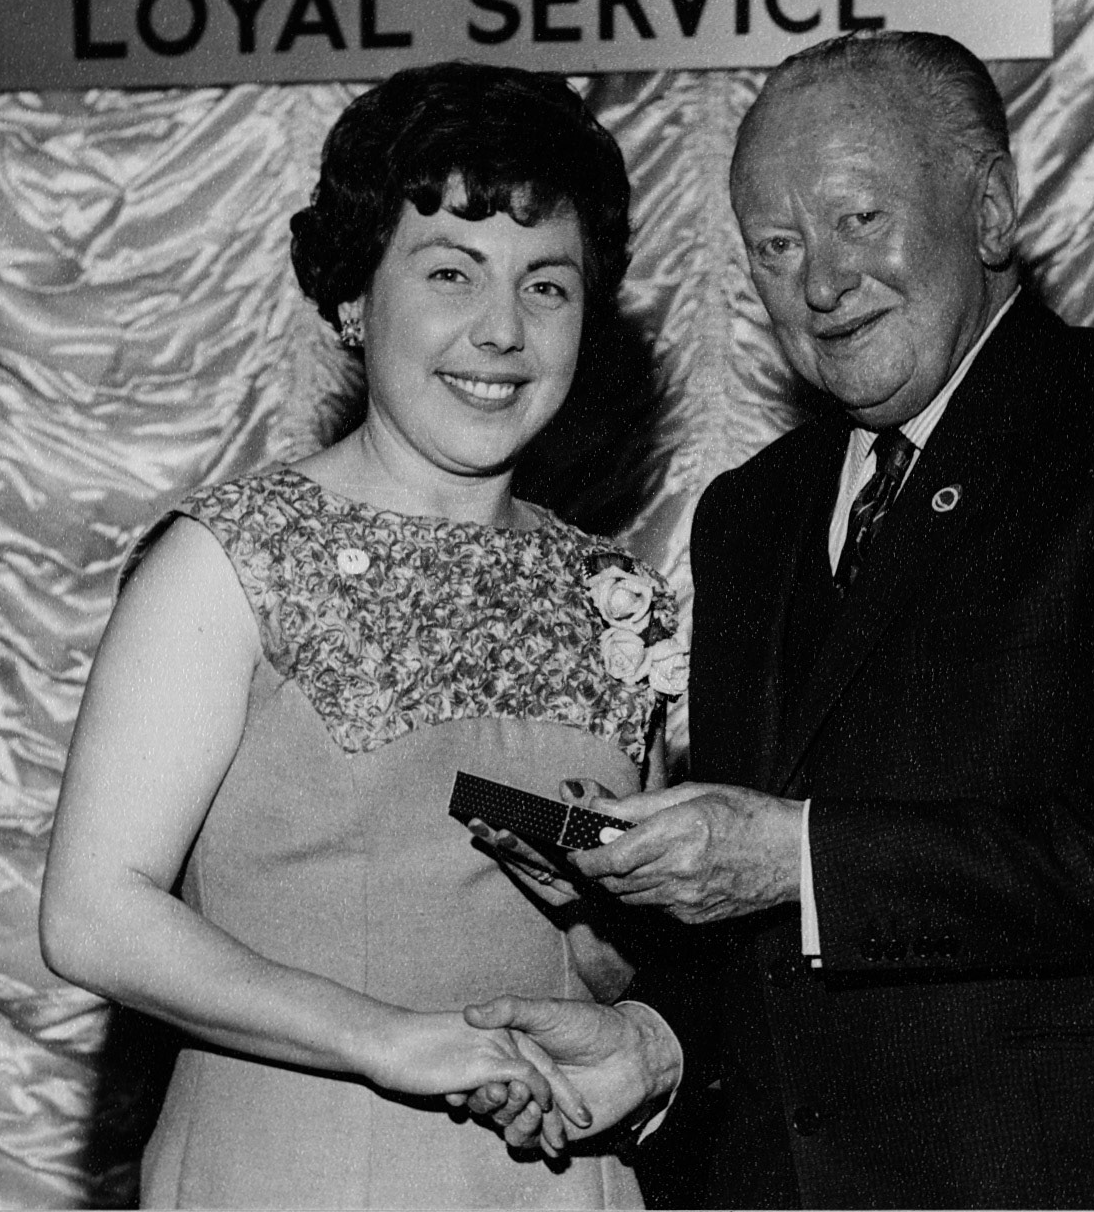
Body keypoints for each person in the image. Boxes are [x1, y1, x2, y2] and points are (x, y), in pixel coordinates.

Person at [461, 29, 1094, 1208]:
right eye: (775, 245)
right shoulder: (750, 515)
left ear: (991, 212)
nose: (819, 281)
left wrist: (793, 854)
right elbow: (768, 946)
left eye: (859, 219)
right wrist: (659, 1029)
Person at [39, 61, 688, 1209]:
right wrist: (386, 1037)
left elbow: (601, 955)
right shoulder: (231, 557)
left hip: (554, 1176)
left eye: (548, 287)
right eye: (450, 273)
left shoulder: (618, 596)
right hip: (287, 1164)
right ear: (352, 296)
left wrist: (602, 922)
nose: (501, 330)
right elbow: (95, 914)